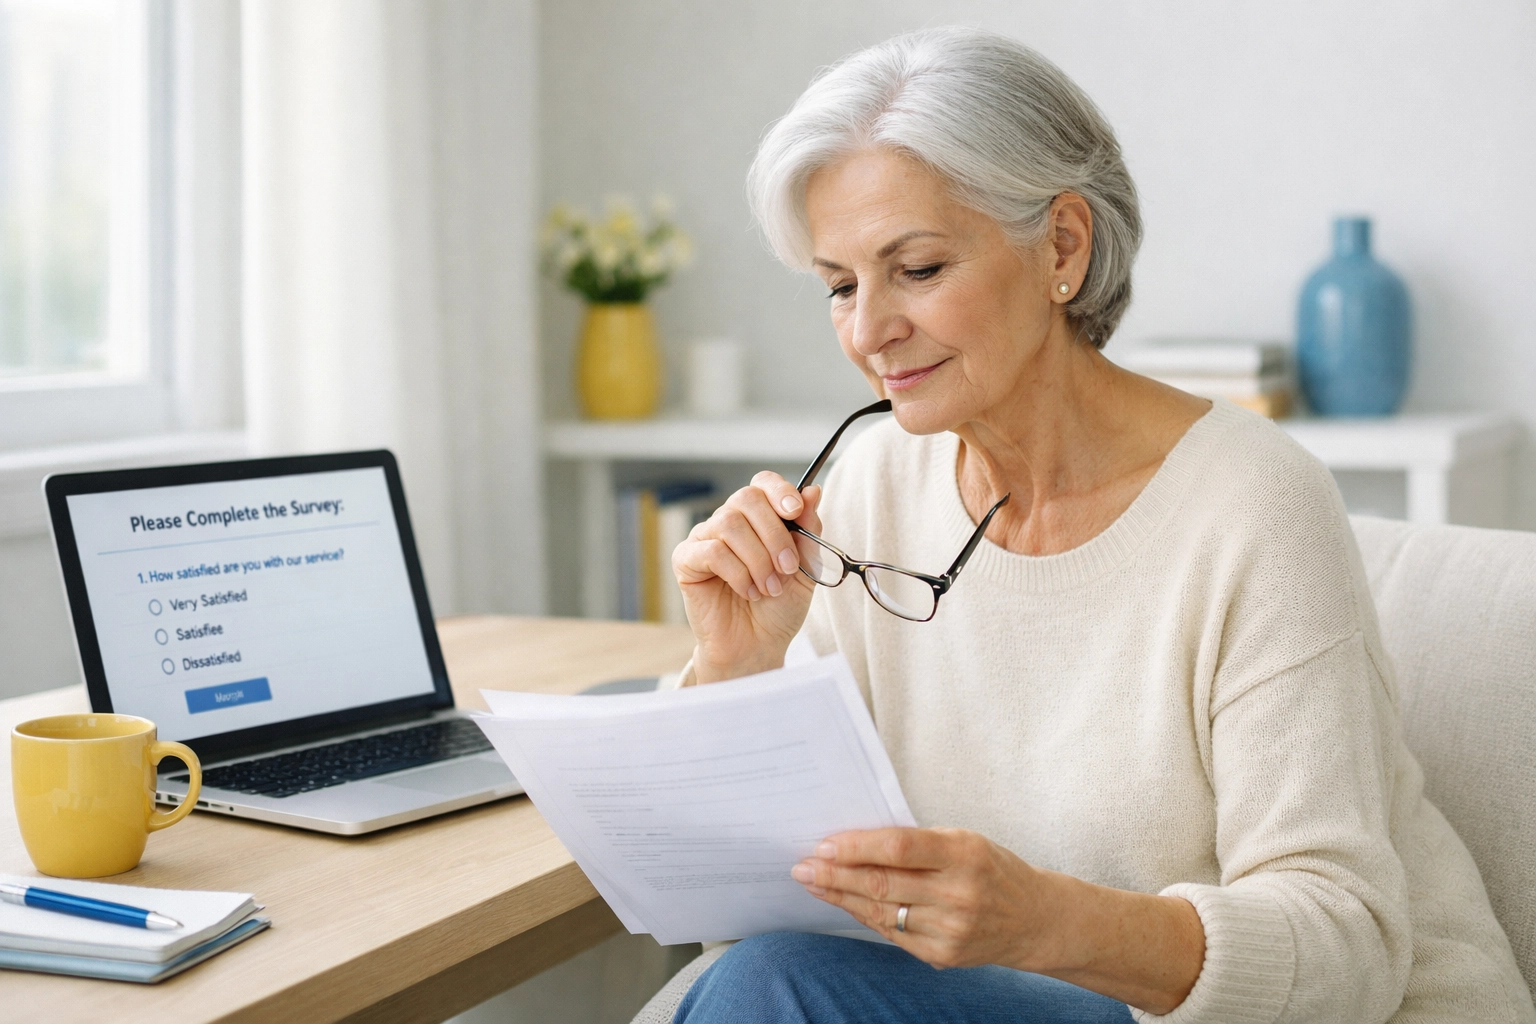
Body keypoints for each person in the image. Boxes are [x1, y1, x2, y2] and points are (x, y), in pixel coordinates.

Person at [663, 25, 1535, 1024]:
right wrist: (739, 675)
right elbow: (754, 924)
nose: (867, 331)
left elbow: (1347, 952)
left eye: (918, 268)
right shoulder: (867, 488)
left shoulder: (1255, 504)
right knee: (763, 976)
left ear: (1063, 247)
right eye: (840, 285)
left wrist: (1041, 920)